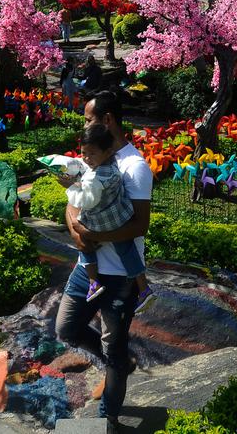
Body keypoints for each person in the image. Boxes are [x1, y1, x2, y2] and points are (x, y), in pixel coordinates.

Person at [55, 90, 153, 430]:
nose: (84, 125)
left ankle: (106, 417)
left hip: (118, 276)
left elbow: (140, 223)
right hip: (87, 269)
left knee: (113, 347)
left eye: (88, 119)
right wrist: (76, 231)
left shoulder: (133, 167)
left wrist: (94, 236)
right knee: (66, 327)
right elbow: (74, 204)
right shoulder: (92, 155)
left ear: (107, 120)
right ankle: (120, 363)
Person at [65, 123, 154, 310]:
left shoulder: (95, 177)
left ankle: (93, 282)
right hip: (119, 217)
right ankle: (144, 288)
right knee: (126, 250)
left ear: (107, 151)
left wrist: (70, 188)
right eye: (84, 153)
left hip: (100, 221)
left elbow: (86, 200)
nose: (87, 159)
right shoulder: (112, 163)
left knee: (84, 242)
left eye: (91, 154)